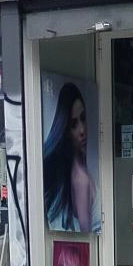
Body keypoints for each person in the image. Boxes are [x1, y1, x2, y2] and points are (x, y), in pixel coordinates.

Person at [42, 82, 99, 233]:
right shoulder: (80, 179)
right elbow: (86, 236)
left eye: (83, 118)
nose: (82, 130)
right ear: (65, 130)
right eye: (74, 124)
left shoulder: (77, 173)